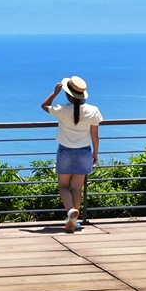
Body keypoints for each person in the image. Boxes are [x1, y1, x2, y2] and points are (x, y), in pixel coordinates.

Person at [41, 75, 101, 233]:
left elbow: (44, 105)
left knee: (63, 186)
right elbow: (95, 135)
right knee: (77, 188)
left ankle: (70, 212)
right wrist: (96, 153)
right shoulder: (93, 111)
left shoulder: (61, 109)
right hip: (84, 151)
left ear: (68, 94)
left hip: (65, 151)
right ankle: (74, 221)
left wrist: (54, 93)